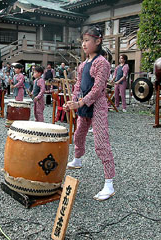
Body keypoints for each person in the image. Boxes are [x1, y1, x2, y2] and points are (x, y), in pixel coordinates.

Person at [64, 26, 115, 201]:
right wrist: (72, 101)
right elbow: (78, 85)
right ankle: (77, 159)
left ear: (98, 41)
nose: (84, 44)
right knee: (78, 134)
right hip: (83, 105)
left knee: (101, 142)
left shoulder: (103, 63)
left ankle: (109, 183)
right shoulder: (83, 64)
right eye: (83, 41)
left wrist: (79, 102)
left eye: (87, 40)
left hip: (97, 106)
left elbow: (98, 88)